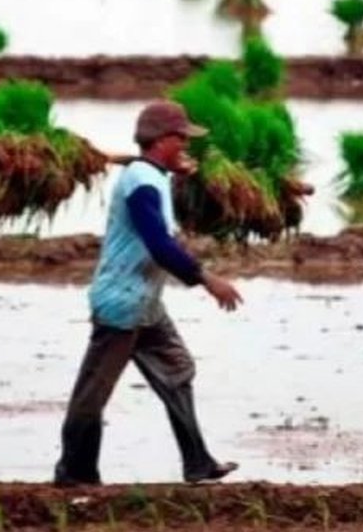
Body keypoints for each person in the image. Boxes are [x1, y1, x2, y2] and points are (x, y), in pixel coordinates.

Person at [53, 100, 245, 487]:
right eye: (182, 139)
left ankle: (198, 463)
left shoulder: (152, 176)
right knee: (93, 395)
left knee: (177, 370)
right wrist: (206, 278)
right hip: (122, 303)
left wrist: (175, 173)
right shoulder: (141, 182)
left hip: (146, 301)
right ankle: (74, 474)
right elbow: (159, 244)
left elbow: (162, 224)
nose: (187, 147)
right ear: (162, 141)